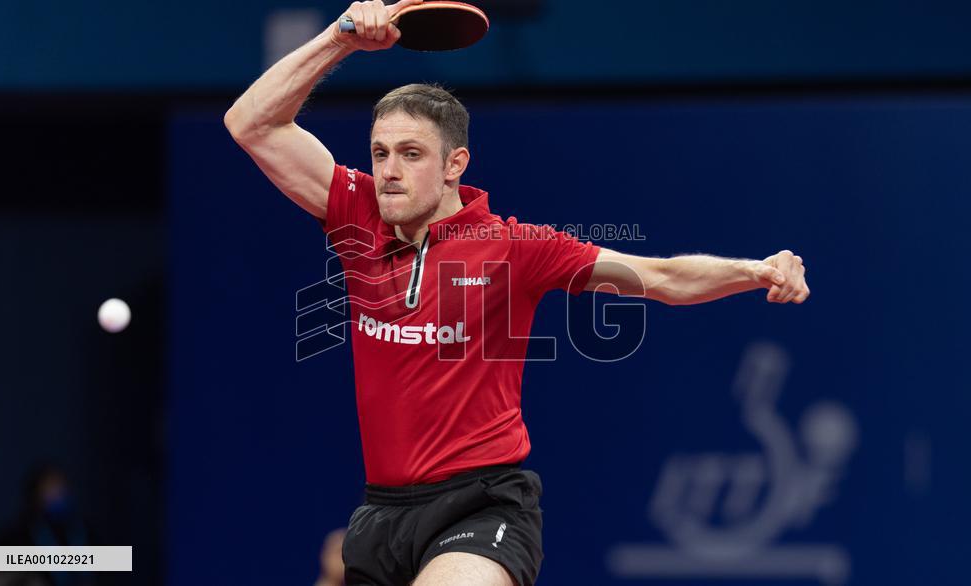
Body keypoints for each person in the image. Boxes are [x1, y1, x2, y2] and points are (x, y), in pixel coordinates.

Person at [223, 1, 810, 584]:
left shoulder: (515, 247)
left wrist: (754, 271)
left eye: (410, 154)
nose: (389, 172)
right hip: (382, 510)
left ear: (455, 163)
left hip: (481, 505)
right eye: (379, 154)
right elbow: (250, 122)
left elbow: (660, 277)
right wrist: (340, 38)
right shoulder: (355, 212)